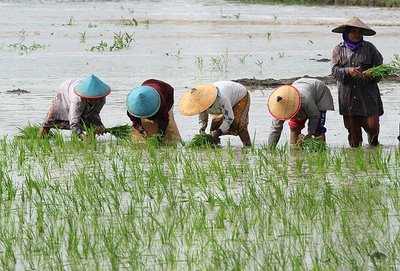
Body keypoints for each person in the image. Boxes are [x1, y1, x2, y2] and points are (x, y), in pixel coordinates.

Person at [331, 16, 384, 148]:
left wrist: (371, 73)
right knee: (354, 138)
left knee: (373, 127)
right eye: (353, 31)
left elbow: (381, 69)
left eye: (360, 32)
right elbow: (334, 71)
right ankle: (356, 164)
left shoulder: (370, 48)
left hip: (368, 95)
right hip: (348, 97)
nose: (357, 35)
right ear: (346, 33)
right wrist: (347, 71)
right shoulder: (339, 49)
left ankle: (374, 146)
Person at [179, 80, 251, 146]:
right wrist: (202, 130)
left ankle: (248, 147)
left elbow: (229, 118)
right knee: (214, 127)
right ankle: (214, 148)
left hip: (240, 97)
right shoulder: (200, 103)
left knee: (239, 125)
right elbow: (203, 118)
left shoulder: (221, 98)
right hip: (223, 102)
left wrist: (219, 132)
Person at [39, 74, 111, 139]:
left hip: (76, 88)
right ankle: (41, 139)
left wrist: (99, 124)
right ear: (85, 96)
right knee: (50, 120)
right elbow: (74, 122)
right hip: (65, 91)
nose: (94, 101)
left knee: (91, 123)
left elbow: (94, 114)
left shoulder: (101, 99)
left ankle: (91, 142)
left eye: (96, 98)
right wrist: (82, 136)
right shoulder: (77, 100)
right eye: (90, 99)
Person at [267, 78, 334, 147]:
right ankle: (295, 152)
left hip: (319, 92)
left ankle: (320, 153)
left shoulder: (305, 100)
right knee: (294, 127)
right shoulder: (279, 108)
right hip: (300, 88)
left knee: (317, 129)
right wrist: (270, 149)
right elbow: (275, 129)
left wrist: (309, 135)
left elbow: (314, 117)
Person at [126, 79, 181, 143]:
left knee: (169, 125)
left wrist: (159, 136)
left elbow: (164, 120)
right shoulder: (132, 106)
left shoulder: (161, 104)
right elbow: (135, 121)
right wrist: (142, 131)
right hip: (146, 87)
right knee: (140, 130)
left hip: (166, 92)